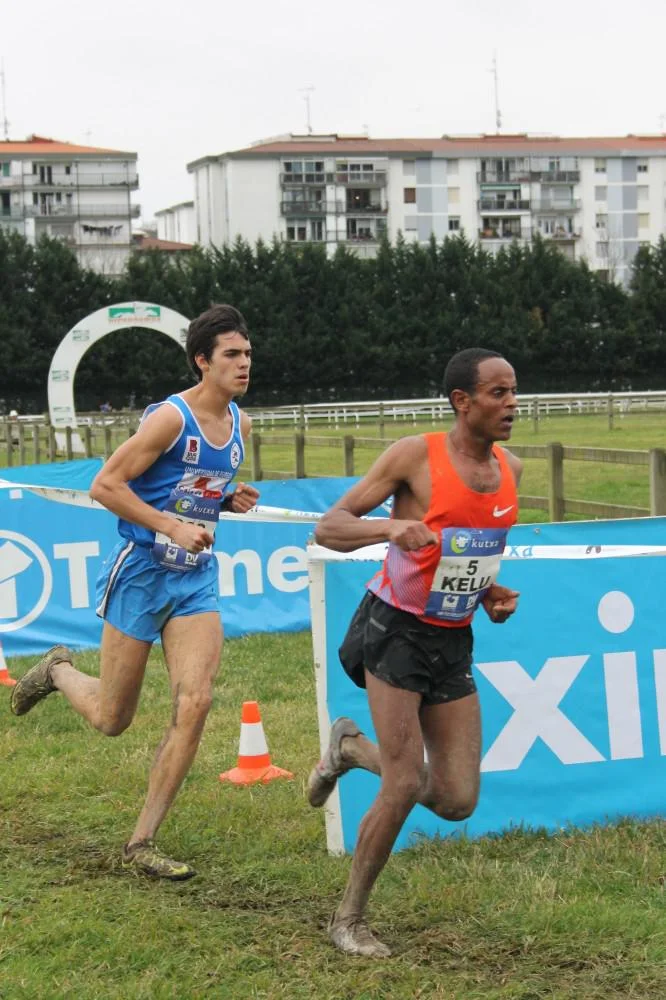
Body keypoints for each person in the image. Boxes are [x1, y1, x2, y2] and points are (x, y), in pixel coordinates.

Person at [11, 304, 259, 880]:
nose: (244, 363)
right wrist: (170, 526)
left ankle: (141, 842)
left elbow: (189, 489)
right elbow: (106, 485)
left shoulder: (241, 426)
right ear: (202, 361)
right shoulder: (171, 419)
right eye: (231, 354)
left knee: (196, 702)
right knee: (112, 718)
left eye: (247, 353)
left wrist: (225, 499)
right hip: (142, 571)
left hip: (194, 576)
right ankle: (58, 670)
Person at [306, 348, 522, 957]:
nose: (512, 404)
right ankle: (349, 919)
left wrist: (488, 593)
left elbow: (464, 557)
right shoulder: (414, 456)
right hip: (394, 628)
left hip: (452, 637)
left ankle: (349, 749)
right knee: (402, 782)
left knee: (456, 799)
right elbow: (329, 527)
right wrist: (388, 528)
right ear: (462, 401)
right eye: (499, 393)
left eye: (514, 392)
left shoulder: (512, 469)